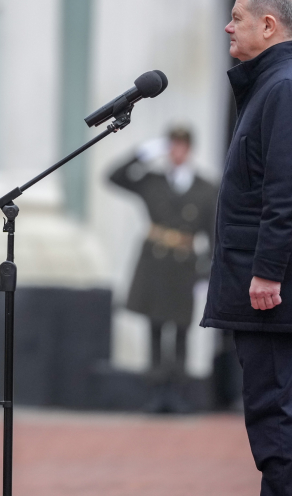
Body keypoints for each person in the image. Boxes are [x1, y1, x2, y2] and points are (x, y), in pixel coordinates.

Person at [200, 0, 292, 496]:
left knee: (274, 414)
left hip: (270, 287)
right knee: (280, 410)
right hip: (272, 281)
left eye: (237, 16)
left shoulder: (286, 88)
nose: (229, 26)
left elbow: (286, 191)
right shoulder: (282, 83)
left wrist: (267, 271)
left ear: (268, 25)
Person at [108, 125, 216, 410]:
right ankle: (156, 393)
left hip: (184, 264)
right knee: (154, 327)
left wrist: (208, 269)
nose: (177, 152)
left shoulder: (206, 188)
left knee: (181, 329)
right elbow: (113, 177)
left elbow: (214, 232)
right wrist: (141, 155)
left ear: (190, 150)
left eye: (182, 146)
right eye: (172, 146)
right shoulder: (153, 181)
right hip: (155, 262)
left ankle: (178, 394)